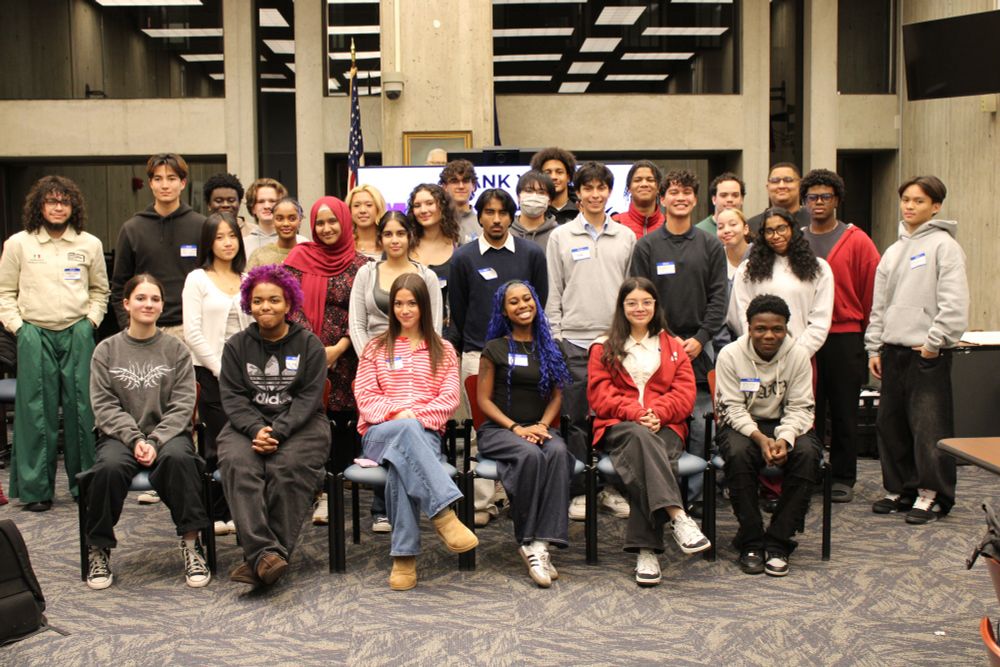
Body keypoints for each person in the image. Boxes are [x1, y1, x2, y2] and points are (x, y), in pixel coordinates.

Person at [83, 273, 210, 590]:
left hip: (168, 436)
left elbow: (183, 405)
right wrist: (136, 439)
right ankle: (99, 549)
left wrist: (154, 440)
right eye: (140, 298)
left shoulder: (176, 350)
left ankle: (192, 545)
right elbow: (104, 405)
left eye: (155, 298)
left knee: (182, 461)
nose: (148, 304)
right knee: (108, 469)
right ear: (126, 303)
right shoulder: (106, 350)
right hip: (119, 437)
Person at [355, 273, 477, 591]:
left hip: (424, 437)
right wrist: (398, 414)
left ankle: (404, 558)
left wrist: (413, 419)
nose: (405, 310)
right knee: (404, 434)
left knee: (403, 461)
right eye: (398, 303)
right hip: (379, 434)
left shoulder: (444, 350)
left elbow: (449, 399)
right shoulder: (375, 348)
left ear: (423, 305)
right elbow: (365, 397)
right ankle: (444, 515)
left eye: (411, 303)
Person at [587, 277, 710, 586]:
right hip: (620, 427)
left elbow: (685, 394)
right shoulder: (603, 346)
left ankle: (647, 552)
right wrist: (638, 413)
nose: (639, 308)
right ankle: (678, 516)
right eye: (632, 303)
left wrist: (659, 413)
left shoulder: (673, 346)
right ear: (622, 307)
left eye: (646, 302)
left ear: (656, 306)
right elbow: (600, 396)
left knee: (650, 453)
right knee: (642, 439)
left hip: (666, 426)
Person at [0, 175, 109, 511]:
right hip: (34, 332)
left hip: (77, 331)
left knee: (82, 407)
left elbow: (100, 291)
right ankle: (36, 491)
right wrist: (19, 328)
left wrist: (90, 322)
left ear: (72, 206)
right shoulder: (19, 243)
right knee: (35, 411)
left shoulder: (89, 244)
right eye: (51, 201)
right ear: (40, 206)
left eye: (64, 201)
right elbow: (5, 292)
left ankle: (84, 486)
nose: (58, 207)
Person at [217, 265, 331, 586]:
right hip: (247, 425)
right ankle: (267, 555)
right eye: (258, 301)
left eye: (274, 300)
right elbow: (234, 397)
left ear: (289, 303)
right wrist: (256, 429)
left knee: (286, 467)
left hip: (302, 425)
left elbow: (309, 399)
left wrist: (278, 431)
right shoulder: (236, 346)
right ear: (248, 304)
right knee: (239, 464)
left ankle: (261, 558)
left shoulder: (309, 345)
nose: (265, 307)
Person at [865, 175, 968, 524]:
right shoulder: (893, 250)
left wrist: (933, 343)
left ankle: (932, 494)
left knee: (929, 427)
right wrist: (873, 347)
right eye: (906, 199)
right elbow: (880, 305)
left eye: (919, 201)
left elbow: (954, 303)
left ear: (936, 206)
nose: (909, 206)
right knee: (890, 424)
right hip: (892, 350)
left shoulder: (944, 246)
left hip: (927, 352)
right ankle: (900, 489)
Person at [629, 169, 728, 515]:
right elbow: (639, 299)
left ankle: (697, 502)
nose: (681, 198)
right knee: (660, 421)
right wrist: (665, 339)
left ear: (695, 198)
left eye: (687, 192)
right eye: (674, 192)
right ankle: (665, 498)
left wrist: (701, 339)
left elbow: (719, 298)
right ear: (663, 197)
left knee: (701, 424)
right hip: (657, 346)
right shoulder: (647, 246)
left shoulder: (711, 245)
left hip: (701, 348)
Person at [449, 188, 549, 525]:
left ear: (512, 216)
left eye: (503, 212)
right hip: (478, 352)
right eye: (488, 212)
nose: (496, 219)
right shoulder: (464, 257)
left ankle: (511, 493)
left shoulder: (531, 253)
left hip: (525, 354)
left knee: (520, 420)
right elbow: (459, 311)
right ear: (478, 216)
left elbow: (540, 301)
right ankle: (481, 502)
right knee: (480, 428)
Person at [545, 161, 636, 521]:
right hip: (574, 342)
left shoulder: (626, 236)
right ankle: (582, 490)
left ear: (608, 193)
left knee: (614, 418)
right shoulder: (561, 236)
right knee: (577, 420)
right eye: (588, 188)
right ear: (577, 193)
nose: (595, 194)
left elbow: (634, 294)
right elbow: (553, 291)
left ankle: (613, 487)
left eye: (601, 188)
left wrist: (628, 337)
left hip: (617, 344)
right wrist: (555, 337)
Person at [349, 210, 443, 532]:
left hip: (418, 358)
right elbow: (357, 323)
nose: (394, 240)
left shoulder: (426, 276)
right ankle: (444, 510)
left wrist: (410, 413)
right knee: (402, 428)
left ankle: (398, 537)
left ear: (410, 236)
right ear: (380, 238)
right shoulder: (366, 272)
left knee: (408, 432)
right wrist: (376, 360)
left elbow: (435, 327)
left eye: (400, 233)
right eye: (387, 234)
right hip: (377, 359)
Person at [715, 294, 822, 577]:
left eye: (777, 329)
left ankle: (778, 541)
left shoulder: (798, 355)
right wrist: (761, 439)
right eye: (760, 328)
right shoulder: (730, 355)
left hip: (786, 424)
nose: (769, 335)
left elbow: (801, 407)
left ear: (787, 328)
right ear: (749, 328)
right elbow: (731, 408)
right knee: (738, 455)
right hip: (742, 425)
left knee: (808, 454)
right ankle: (750, 540)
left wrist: (785, 439)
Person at [476, 280, 574, 588]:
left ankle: (542, 544)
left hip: (540, 427)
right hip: (500, 430)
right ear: (503, 310)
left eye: (527, 299)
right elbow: (482, 401)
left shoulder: (551, 348)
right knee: (530, 455)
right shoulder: (495, 348)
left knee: (558, 452)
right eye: (514, 302)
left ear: (536, 302)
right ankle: (527, 539)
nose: (522, 305)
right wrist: (517, 428)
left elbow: (557, 396)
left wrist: (542, 425)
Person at [800, 169, 880, 503]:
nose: (818, 203)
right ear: (804, 202)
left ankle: (844, 475)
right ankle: (813, 469)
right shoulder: (798, 240)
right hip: (805, 337)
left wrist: (867, 336)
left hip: (845, 335)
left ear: (837, 200)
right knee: (809, 408)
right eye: (812, 197)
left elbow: (871, 292)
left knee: (844, 408)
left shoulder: (857, 240)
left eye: (825, 197)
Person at [182, 212, 251, 535]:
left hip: (247, 373)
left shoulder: (248, 278)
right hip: (211, 372)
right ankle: (217, 510)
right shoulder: (197, 278)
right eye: (220, 237)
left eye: (232, 236)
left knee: (247, 440)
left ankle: (242, 509)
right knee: (217, 442)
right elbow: (192, 332)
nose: (227, 243)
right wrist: (221, 369)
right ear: (209, 242)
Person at [285, 196, 370, 417]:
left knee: (344, 430)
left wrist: (337, 350)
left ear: (344, 221)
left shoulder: (363, 266)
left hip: (348, 360)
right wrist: (316, 349)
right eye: (319, 223)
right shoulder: (298, 257)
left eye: (332, 221)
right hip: (304, 355)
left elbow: (364, 313)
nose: (326, 228)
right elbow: (289, 305)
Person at [110, 153, 204, 338]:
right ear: (151, 183)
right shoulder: (132, 228)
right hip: (144, 326)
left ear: (183, 183)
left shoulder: (201, 226)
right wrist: (128, 325)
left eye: (172, 178)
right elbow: (120, 285)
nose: (165, 185)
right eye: (158, 179)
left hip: (191, 327)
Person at [727, 207, 835, 358]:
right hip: (756, 355)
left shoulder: (819, 269)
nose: (775, 236)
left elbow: (820, 320)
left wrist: (798, 353)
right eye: (769, 231)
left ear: (793, 230)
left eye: (781, 229)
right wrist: (759, 347)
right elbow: (739, 313)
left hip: (802, 356)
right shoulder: (747, 269)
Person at [409, 183, 461, 334]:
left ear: (443, 207)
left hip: (446, 336)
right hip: (406, 336)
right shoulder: (404, 247)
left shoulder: (458, 249)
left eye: (430, 203)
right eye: (417, 205)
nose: (423, 210)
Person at [242, 178, 307, 256]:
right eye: (261, 201)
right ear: (253, 208)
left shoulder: (302, 242)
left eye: (272, 201)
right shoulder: (243, 244)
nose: (267, 206)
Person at [745, 164, 810, 236]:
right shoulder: (753, 226)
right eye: (775, 181)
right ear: (767, 187)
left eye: (788, 180)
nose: (781, 186)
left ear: (800, 185)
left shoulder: (814, 220)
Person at [246, 197, 304, 269]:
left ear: (300, 220)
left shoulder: (306, 256)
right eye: (279, 219)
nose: (286, 224)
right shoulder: (259, 255)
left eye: (292, 219)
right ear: (273, 220)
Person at [510, 170, 560, 253]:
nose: (534, 196)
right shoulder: (505, 231)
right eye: (529, 191)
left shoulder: (559, 234)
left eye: (541, 192)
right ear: (518, 197)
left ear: (550, 200)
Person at [612, 160, 665, 238]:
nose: (644, 184)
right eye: (637, 180)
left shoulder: (668, 225)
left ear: (658, 188)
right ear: (629, 188)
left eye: (650, 180)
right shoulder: (615, 223)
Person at [530, 147, 578, 224]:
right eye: (548, 173)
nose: (554, 177)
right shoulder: (533, 211)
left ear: (568, 177)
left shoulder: (582, 210)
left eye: (559, 172)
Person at [440, 159, 480, 244]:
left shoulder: (482, 223)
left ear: (473, 186)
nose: (461, 186)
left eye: (465, 181)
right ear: (445, 187)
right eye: (454, 181)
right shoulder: (437, 223)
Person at [347, 184, 387, 260]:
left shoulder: (389, 242)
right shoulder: (344, 244)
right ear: (349, 210)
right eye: (356, 205)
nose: (362, 210)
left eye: (368, 205)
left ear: (378, 208)